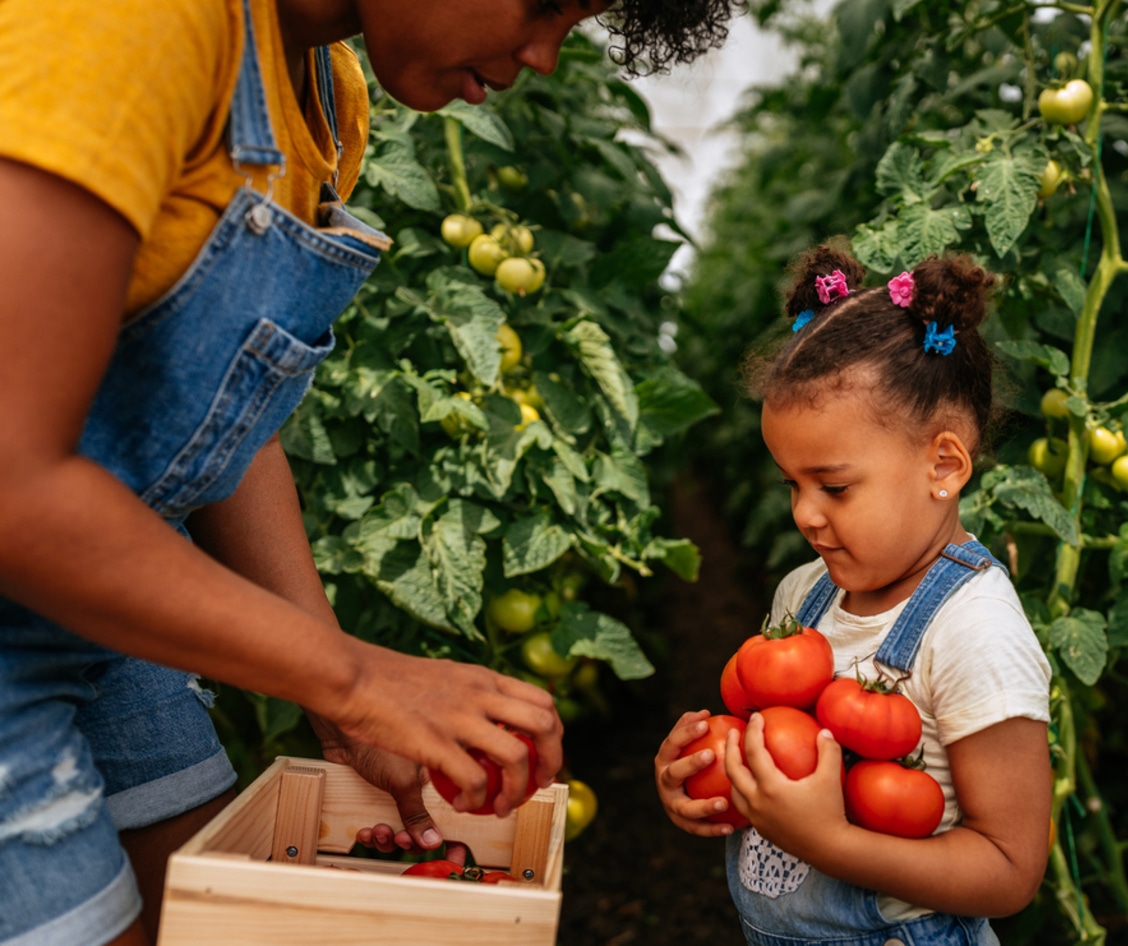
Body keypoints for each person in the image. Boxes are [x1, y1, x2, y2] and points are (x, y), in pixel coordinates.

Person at [0, 1, 738, 945]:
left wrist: (335, 706)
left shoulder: (326, 97)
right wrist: (352, 675)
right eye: (545, 3)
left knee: (201, 906)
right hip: (37, 555)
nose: (547, 57)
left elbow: (226, 417)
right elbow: (14, 481)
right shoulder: (144, 25)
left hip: (99, 595)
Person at [653, 245, 1053, 945]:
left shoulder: (973, 632)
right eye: (791, 484)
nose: (805, 514)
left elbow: (1009, 870)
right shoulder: (802, 594)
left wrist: (828, 842)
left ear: (943, 464)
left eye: (833, 487)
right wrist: (713, 776)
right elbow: (778, 751)